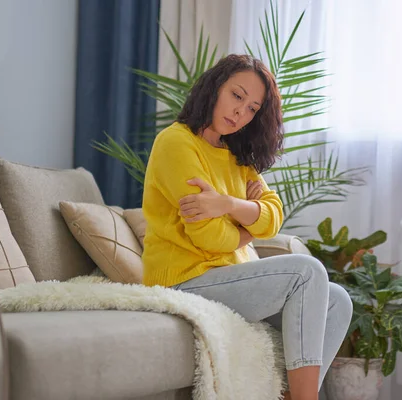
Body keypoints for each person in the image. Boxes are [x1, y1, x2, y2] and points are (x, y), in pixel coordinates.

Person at [141, 54, 352, 400]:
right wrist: (249, 221)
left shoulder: (234, 154)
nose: (240, 112)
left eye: (252, 108)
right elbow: (208, 236)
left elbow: (274, 215)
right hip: (183, 282)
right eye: (237, 96)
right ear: (214, 88)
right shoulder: (176, 142)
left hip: (229, 278)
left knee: (338, 301)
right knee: (307, 271)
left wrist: (228, 205)